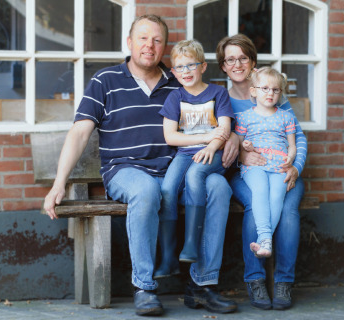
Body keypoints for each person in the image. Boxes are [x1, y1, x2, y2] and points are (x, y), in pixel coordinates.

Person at [44, 15, 238, 316]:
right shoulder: (105, 81)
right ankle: (145, 287)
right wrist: (59, 184)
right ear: (130, 42)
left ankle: (203, 285)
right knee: (147, 190)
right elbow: (80, 132)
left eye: (157, 40)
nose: (150, 45)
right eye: (144, 38)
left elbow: (215, 116)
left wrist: (234, 135)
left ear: (164, 48)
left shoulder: (180, 82)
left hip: (178, 168)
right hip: (125, 170)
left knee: (218, 187)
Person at [216, 34, 307, 310]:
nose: (237, 64)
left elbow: (297, 137)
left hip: (282, 169)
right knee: (256, 207)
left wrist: (295, 166)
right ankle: (255, 279)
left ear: (253, 62)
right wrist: (242, 153)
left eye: (243, 57)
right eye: (230, 59)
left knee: (289, 211)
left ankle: (283, 283)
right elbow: (217, 144)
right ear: (223, 66)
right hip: (246, 173)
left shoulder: (273, 94)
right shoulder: (221, 100)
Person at [155, 39, 233, 279]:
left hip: (215, 154)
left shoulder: (218, 93)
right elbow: (170, 137)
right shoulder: (175, 97)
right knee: (167, 189)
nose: (185, 71)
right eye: (180, 67)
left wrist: (212, 146)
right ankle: (168, 258)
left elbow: (225, 129)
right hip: (185, 153)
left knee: (195, 175)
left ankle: (190, 243)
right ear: (173, 72)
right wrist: (206, 135)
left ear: (203, 67)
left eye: (191, 65)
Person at [235, 67, 297, 258]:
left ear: (280, 92)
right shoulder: (244, 116)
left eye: (275, 90)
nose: (270, 93)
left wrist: (291, 159)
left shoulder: (286, 116)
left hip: (279, 166)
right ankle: (265, 237)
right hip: (255, 166)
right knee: (260, 190)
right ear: (253, 91)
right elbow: (237, 143)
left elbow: (292, 145)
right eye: (265, 88)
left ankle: (265, 243)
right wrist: (245, 145)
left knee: (277, 196)